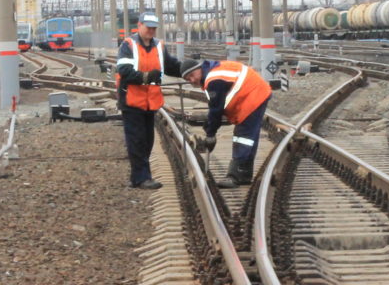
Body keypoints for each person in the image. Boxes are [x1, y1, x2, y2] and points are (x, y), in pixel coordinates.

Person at [179, 57, 272, 187]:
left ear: (199, 69)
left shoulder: (214, 80)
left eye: (192, 75)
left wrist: (211, 134)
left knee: (243, 136)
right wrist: (210, 127)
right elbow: (218, 107)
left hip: (253, 95)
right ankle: (244, 174)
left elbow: (216, 109)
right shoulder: (212, 72)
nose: (192, 80)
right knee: (248, 135)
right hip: (255, 92)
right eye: (188, 79)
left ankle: (235, 176)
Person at [114, 13, 181, 188]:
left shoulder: (159, 46)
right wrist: (146, 77)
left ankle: (138, 176)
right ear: (139, 25)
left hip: (150, 102)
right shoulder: (128, 45)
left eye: (153, 27)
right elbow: (124, 71)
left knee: (148, 140)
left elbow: (171, 66)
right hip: (131, 100)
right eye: (148, 27)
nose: (151, 30)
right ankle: (142, 178)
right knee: (137, 140)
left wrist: (192, 70)